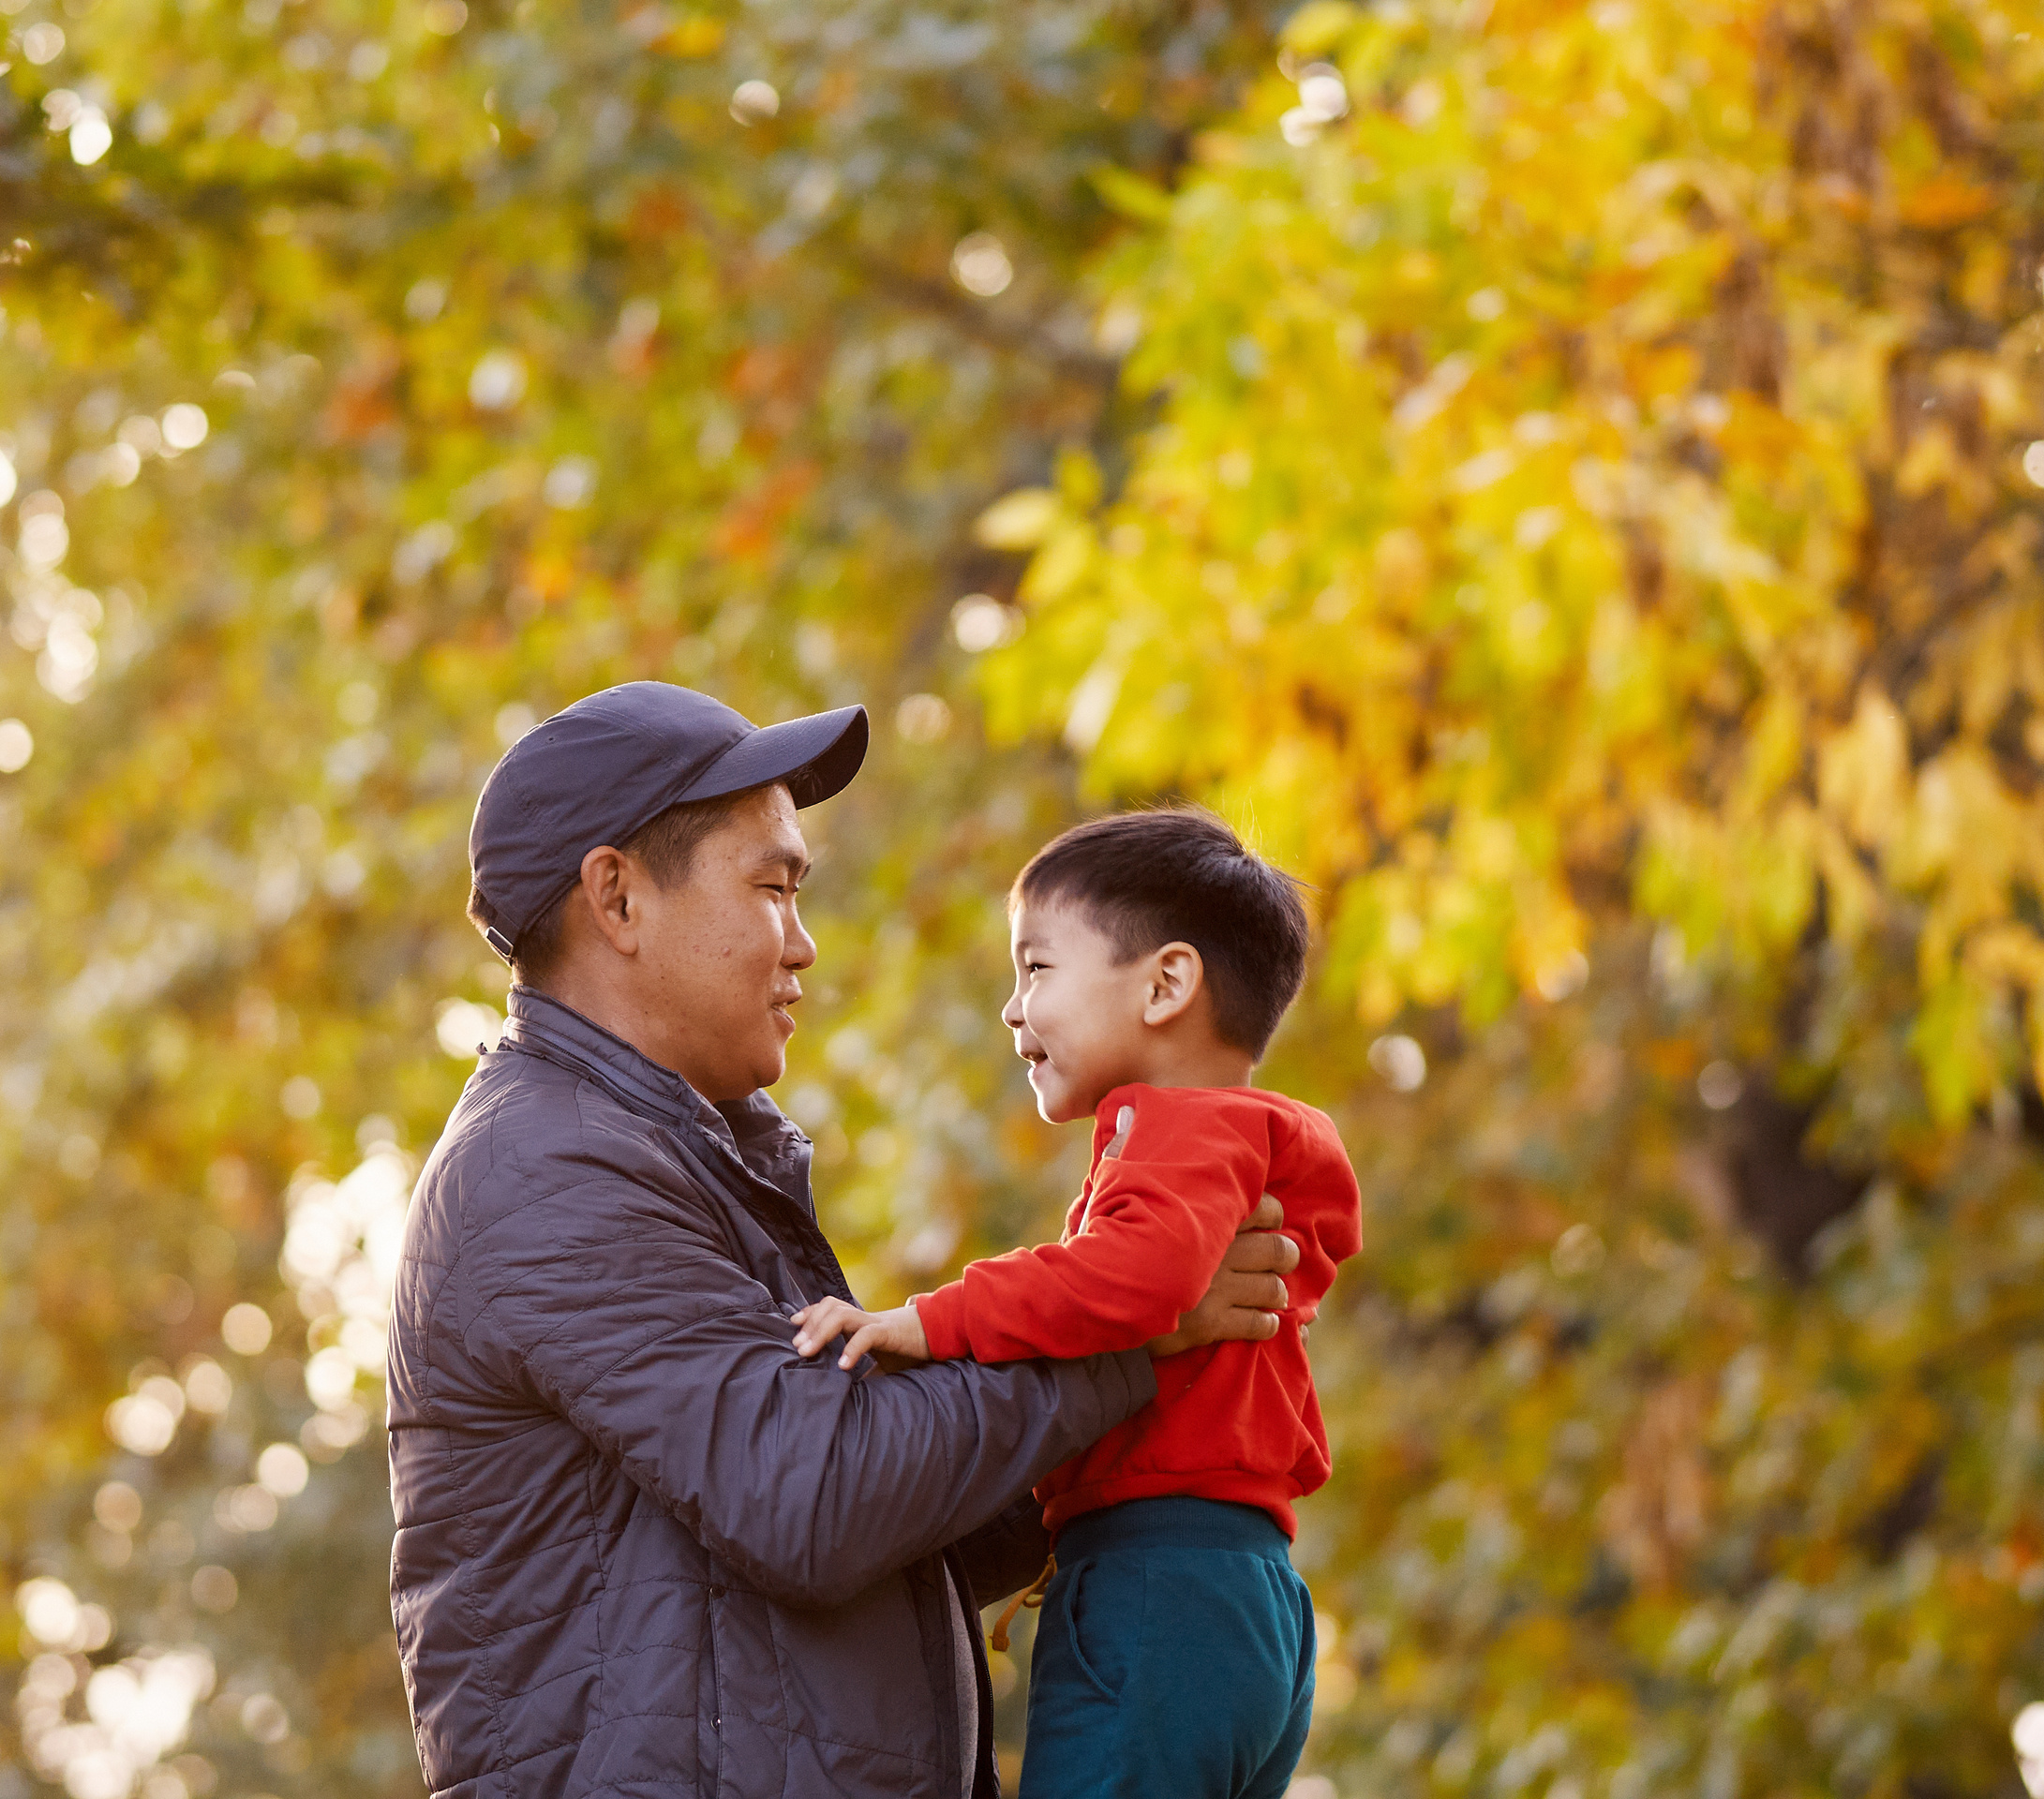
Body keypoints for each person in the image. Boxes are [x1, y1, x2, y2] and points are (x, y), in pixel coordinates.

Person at [385, 682, 1303, 1799]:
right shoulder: (544, 1172)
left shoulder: (692, 1160)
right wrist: (1131, 1337)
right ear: (617, 899)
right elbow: (814, 1498)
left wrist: (1143, 1363)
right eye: (772, 887)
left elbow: (910, 1532)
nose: (804, 945)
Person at [791, 808, 1363, 1799]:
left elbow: (1126, 1284)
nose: (1013, 1009)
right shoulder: (1242, 1144)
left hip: (1156, 1588)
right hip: (1244, 1595)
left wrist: (925, 1324)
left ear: (1166, 984)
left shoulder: (1180, 1135)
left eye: (1037, 969)